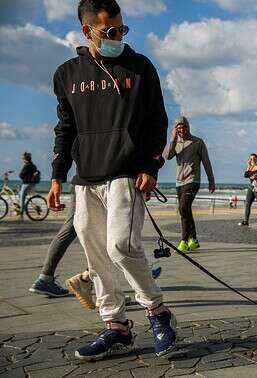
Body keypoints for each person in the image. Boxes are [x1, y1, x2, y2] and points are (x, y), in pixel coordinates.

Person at [47, 0, 175, 360]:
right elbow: (65, 128)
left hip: (126, 174)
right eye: (110, 31)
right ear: (88, 31)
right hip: (85, 178)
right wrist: (57, 177)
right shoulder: (66, 74)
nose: (119, 36)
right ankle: (116, 327)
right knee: (96, 254)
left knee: (121, 246)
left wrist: (151, 166)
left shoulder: (140, 67)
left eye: (122, 29)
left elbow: (157, 121)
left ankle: (157, 312)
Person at [29, 184, 162, 301]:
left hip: (84, 178)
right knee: (115, 230)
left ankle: (62, 278)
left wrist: (56, 179)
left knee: (77, 230)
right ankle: (92, 283)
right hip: (106, 180)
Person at [164, 116, 215, 253]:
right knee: (185, 210)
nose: (182, 129)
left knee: (183, 207)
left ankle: (184, 241)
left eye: (184, 126)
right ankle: (194, 239)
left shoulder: (198, 142)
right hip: (179, 182)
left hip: (193, 180)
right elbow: (167, 156)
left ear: (188, 127)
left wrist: (211, 181)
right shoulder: (175, 143)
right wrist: (173, 138)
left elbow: (206, 162)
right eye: (178, 127)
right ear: (175, 128)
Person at [238, 153, 257, 226]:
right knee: (247, 204)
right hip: (251, 187)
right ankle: (246, 221)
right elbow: (245, 175)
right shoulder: (251, 167)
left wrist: (256, 177)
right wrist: (248, 165)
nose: (252, 160)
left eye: (254, 158)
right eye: (251, 158)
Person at [18, 152, 39, 219]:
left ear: (25, 159)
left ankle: (21, 214)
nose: (22, 160)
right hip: (32, 184)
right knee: (20, 191)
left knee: (22, 199)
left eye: (23, 159)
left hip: (26, 184)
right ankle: (20, 209)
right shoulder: (33, 165)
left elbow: (21, 175)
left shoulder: (26, 166)